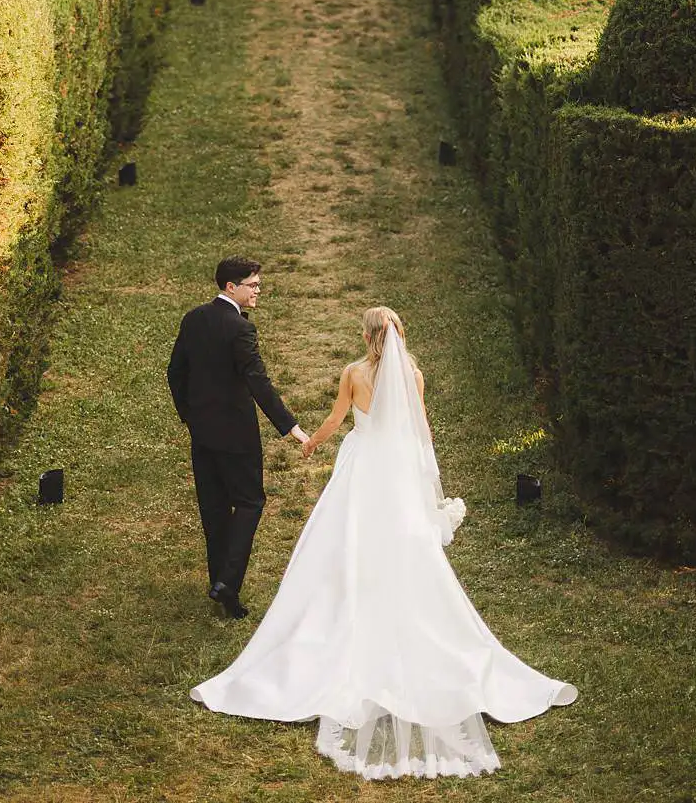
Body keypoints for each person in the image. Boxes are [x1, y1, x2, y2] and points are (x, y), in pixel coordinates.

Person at [191, 307, 576, 779]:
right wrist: (427, 476)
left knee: (346, 535)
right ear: (396, 335)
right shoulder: (413, 374)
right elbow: (421, 429)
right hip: (397, 466)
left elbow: (337, 419)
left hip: (363, 465)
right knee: (401, 540)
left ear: (367, 336)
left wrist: (312, 443)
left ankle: (351, 597)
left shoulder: (353, 374)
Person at [168, 258, 307, 619]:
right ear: (231, 287)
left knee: (214, 511)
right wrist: (289, 425)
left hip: (202, 435)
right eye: (253, 285)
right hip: (237, 437)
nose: (258, 291)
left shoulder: (194, 318)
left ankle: (223, 590)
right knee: (249, 502)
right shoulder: (240, 329)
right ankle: (228, 583)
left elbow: (175, 372)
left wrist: (190, 417)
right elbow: (256, 380)